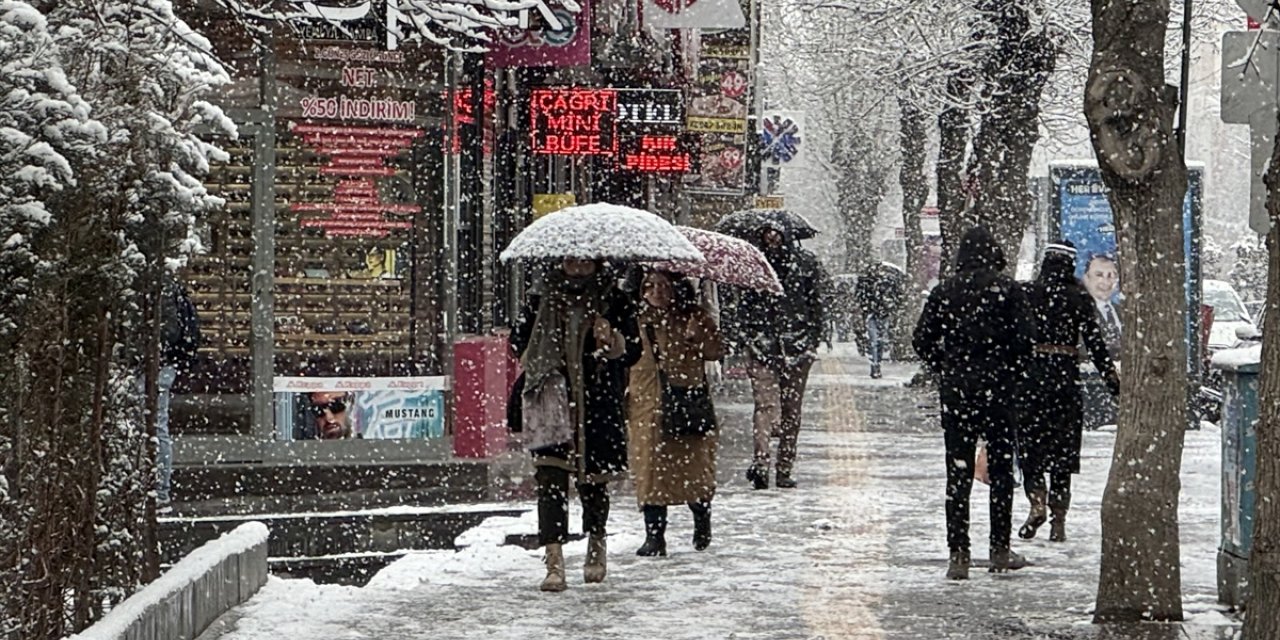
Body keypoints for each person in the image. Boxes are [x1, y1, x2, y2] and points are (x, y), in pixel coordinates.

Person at [510, 258, 641, 592]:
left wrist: (611, 338)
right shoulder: (541, 295)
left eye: (585, 259)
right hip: (551, 399)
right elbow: (517, 341)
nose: (577, 265)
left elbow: (635, 350)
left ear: (596, 261)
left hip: (597, 400)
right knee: (549, 479)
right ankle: (554, 562)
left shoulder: (614, 298)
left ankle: (596, 545)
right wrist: (537, 345)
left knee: (593, 482)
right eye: (571, 258)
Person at [912, 226, 1034, 580]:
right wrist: (1008, 369)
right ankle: (998, 548)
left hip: (958, 392)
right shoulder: (1007, 290)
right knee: (1000, 471)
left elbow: (921, 339)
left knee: (958, 473)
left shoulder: (945, 291)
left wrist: (946, 364)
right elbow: (1026, 340)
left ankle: (959, 553)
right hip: (998, 392)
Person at [1017, 242, 1120, 542]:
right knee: (1063, 453)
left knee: (1031, 448)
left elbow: (1015, 338)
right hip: (1065, 380)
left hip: (1032, 380)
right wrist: (1112, 381)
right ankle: (1058, 519)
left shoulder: (1028, 294)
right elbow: (1096, 345)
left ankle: (1037, 501)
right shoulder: (1079, 298)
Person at [627, 271, 724, 557]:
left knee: (694, 469)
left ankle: (701, 517)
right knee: (650, 470)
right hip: (646, 405)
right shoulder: (634, 319)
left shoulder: (692, 315)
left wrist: (699, 336)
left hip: (687, 403)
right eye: (650, 286)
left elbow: (717, 350)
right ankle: (655, 536)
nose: (656, 292)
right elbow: (618, 357)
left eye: (663, 286)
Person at [727, 223, 830, 490]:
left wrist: (810, 340)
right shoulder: (757, 265)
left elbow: (816, 303)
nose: (772, 239)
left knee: (789, 410)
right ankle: (763, 463)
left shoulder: (800, 264)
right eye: (767, 234)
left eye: (776, 234)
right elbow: (744, 306)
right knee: (768, 407)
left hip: (792, 346)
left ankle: (782, 465)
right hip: (768, 345)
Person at [141, 274, 200, 513]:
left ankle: (158, 492)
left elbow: (164, 332)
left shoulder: (156, 288)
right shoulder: (169, 287)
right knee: (157, 428)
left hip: (151, 367)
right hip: (161, 365)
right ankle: (159, 492)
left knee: (153, 428)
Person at [855, 263, 906, 379]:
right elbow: (860, 297)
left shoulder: (887, 282)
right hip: (873, 314)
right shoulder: (866, 282)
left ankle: (876, 363)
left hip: (882, 314)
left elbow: (896, 296)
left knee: (880, 341)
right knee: (874, 341)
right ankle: (875, 365)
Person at [1082, 252, 1122, 361]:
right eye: (1099, 275)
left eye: (1111, 275)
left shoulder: (1125, 312)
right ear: (1086, 278)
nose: (1106, 281)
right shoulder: (1079, 311)